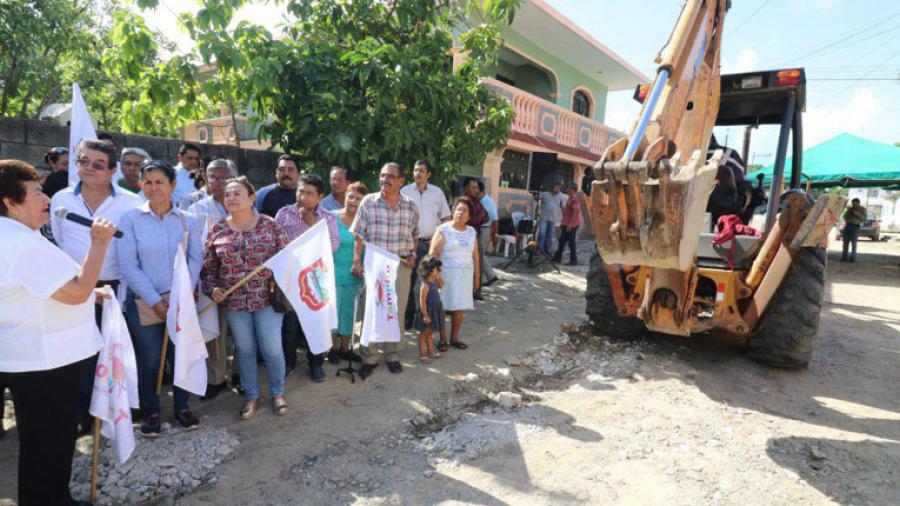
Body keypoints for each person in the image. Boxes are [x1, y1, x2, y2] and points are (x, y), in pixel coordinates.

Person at [0, 159, 118, 506]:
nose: (47, 199)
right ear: (11, 202)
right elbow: (76, 289)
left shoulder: (17, 237)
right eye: (37, 192)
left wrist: (85, 292)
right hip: (45, 362)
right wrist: (99, 243)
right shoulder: (21, 245)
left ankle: (53, 498)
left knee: (44, 444)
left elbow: (47, 289)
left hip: (34, 356)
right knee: (48, 445)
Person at [50, 139, 142, 434]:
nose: (89, 168)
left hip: (117, 291)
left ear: (112, 170)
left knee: (117, 351)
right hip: (76, 290)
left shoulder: (131, 202)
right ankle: (85, 414)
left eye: (98, 164)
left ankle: (120, 411)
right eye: (83, 162)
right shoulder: (61, 200)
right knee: (81, 355)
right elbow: (60, 243)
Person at [118, 160, 204, 436]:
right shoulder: (130, 220)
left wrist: (181, 297)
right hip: (145, 301)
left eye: (160, 182)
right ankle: (151, 410)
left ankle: (182, 406)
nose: (154, 188)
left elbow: (195, 259)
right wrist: (156, 301)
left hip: (182, 301)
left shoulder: (188, 220)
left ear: (173, 185)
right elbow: (129, 266)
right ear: (141, 185)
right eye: (149, 182)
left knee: (181, 355)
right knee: (151, 360)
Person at [202, 177, 289, 419]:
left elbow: (287, 261)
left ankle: (278, 392)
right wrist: (213, 290)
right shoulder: (217, 230)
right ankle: (252, 395)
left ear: (252, 198)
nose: (230, 198)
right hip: (234, 303)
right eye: (227, 194)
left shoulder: (271, 226)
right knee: (245, 350)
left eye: (237, 193)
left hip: (267, 300)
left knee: (271, 349)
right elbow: (208, 271)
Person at [350, 162, 419, 379]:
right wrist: (356, 261)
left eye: (390, 176)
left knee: (395, 310)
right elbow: (359, 236)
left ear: (401, 181)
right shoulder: (368, 202)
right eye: (382, 175)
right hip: (375, 266)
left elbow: (415, 235)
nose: (384, 180)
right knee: (372, 309)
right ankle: (369, 356)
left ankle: (392, 354)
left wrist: (413, 255)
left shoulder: (411, 206)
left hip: (400, 266)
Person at [274, 174, 340, 381]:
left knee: (315, 322)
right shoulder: (284, 214)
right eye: (301, 191)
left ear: (320, 197)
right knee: (290, 325)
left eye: (310, 193)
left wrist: (312, 224)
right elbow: (275, 243)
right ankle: (289, 362)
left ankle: (316, 363)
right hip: (291, 279)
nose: (303, 196)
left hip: (317, 280)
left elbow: (333, 246)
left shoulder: (327, 218)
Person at [188, 158, 237, 400]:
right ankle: (215, 378)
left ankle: (238, 373)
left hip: (239, 279)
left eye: (223, 177)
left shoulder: (242, 203)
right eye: (213, 177)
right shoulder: (197, 208)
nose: (217, 182)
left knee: (240, 331)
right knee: (214, 330)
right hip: (211, 279)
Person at [400, 159, 451, 328]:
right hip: (410, 245)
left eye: (421, 170)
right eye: (415, 170)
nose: (418, 174)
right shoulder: (404, 191)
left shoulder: (437, 193)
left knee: (429, 281)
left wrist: (440, 238)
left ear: (428, 174)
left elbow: (445, 218)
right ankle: (408, 317)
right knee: (408, 280)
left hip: (431, 244)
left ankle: (427, 318)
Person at [429, 197, 480, 351]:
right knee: (443, 307)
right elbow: (433, 254)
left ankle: (454, 337)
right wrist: (436, 275)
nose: (460, 213)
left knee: (460, 307)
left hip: (465, 275)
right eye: (458, 209)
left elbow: (476, 256)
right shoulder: (444, 229)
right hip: (446, 275)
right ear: (453, 211)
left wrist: (477, 277)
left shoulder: (471, 232)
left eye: (465, 211)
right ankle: (443, 338)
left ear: (469, 217)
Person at [330, 181, 368, 365]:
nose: (353, 201)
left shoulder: (366, 223)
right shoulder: (331, 218)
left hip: (354, 274)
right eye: (350, 196)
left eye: (358, 198)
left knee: (348, 311)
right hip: (332, 273)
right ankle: (333, 348)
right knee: (333, 310)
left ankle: (346, 348)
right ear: (345, 196)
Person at [462, 177, 489, 300]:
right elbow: (472, 220)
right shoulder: (464, 202)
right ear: (466, 189)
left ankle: (476, 290)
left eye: (477, 187)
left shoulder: (477, 202)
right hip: (464, 237)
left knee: (478, 263)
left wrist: (479, 216)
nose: (476, 190)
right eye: (473, 187)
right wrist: (479, 217)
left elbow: (486, 217)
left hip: (476, 236)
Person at [415, 255, 445, 364]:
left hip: (435, 309)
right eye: (438, 269)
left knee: (430, 332)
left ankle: (431, 351)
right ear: (431, 271)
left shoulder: (434, 281)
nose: (440, 271)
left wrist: (438, 277)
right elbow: (422, 301)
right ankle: (423, 354)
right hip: (428, 312)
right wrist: (425, 315)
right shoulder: (425, 285)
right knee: (424, 334)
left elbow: (442, 285)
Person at [476, 180, 500, 287]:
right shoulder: (477, 200)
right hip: (476, 229)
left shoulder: (489, 202)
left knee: (479, 255)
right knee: (478, 255)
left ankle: (487, 277)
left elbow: (495, 220)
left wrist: (495, 235)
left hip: (485, 230)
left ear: (482, 192)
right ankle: (490, 276)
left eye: (477, 193)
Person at [554, 182, 582, 265]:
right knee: (562, 241)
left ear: (573, 189)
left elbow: (576, 212)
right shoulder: (570, 198)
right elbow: (567, 212)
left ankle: (573, 260)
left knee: (571, 242)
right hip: (567, 224)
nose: (567, 189)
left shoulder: (574, 199)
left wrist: (570, 224)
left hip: (572, 225)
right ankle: (557, 258)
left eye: (569, 188)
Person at [538, 182, 564, 256]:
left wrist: (563, 218)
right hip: (544, 217)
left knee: (549, 235)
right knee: (542, 233)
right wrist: (539, 199)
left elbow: (563, 206)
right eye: (556, 188)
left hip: (553, 219)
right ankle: (539, 249)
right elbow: (539, 200)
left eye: (559, 188)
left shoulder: (561, 196)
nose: (557, 190)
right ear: (552, 188)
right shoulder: (545, 194)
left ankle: (548, 250)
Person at [841, 198, 867, 262]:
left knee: (854, 243)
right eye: (852, 204)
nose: (853, 205)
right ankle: (844, 257)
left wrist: (856, 213)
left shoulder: (862, 209)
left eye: (855, 204)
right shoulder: (850, 209)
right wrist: (848, 211)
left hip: (855, 226)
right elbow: (844, 217)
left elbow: (864, 218)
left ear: (858, 203)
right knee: (845, 243)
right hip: (847, 226)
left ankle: (852, 258)